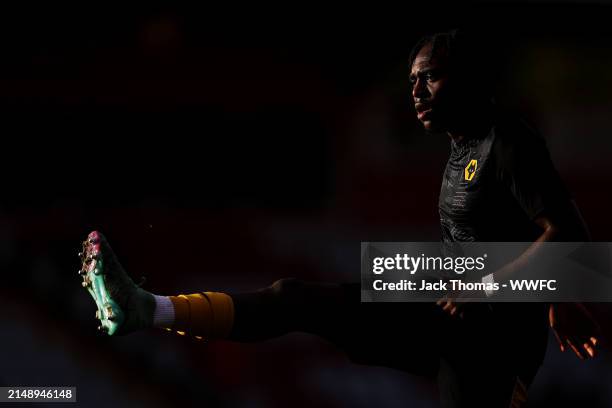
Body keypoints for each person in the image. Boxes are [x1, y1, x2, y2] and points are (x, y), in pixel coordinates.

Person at [78, 30, 601, 407]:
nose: (416, 91)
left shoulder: (508, 140)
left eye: (432, 77)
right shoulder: (459, 150)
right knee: (297, 299)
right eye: (413, 80)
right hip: (455, 325)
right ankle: (150, 310)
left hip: (491, 347)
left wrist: (518, 290)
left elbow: (569, 234)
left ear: (466, 80)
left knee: (304, 300)